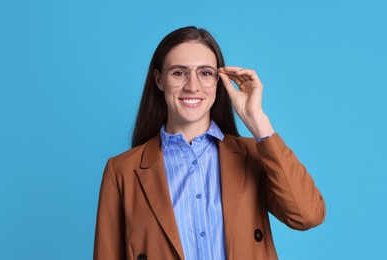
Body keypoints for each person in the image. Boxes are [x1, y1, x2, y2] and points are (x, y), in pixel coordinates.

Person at [93, 26, 326, 260]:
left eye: (205, 73)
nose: (192, 86)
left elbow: (307, 215)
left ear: (219, 80)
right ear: (159, 79)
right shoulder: (122, 170)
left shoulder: (253, 155)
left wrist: (258, 122)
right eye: (179, 73)